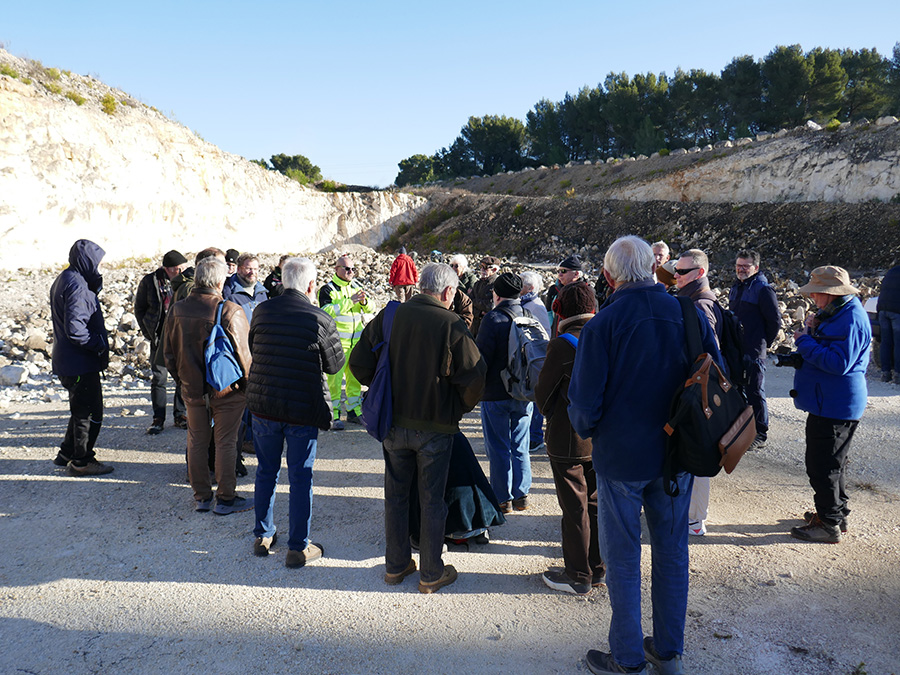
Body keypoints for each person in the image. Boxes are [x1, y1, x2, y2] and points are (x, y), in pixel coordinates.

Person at [568, 236, 721, 675]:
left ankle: (628, 656)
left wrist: (589, 431)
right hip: (677, 455)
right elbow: (716, 372)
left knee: (623, 557)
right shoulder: (688, 312)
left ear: (610, 275)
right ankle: (669, 653)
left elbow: (583, 406)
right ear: (655, 270)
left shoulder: (604, 324)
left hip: (621, 458)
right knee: (672, 552)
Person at [350, 263, 486, 594]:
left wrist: (382, 389)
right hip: (436, 427)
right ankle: (430, 572)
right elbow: (475, 377)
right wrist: (457, 408)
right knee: (432, 499)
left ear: (419, 286)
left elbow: (358, 363)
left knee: (395, 495)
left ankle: (395, 566)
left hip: (394, 424)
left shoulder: (390, 315)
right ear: (448, 292)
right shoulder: (451, 322)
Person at [247, 257, 345, 567]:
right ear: (311, 286)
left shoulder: (261, 311)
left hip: (264, 405)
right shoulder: (319, 318)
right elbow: (335, 364)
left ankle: (263, 534)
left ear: (282, 281)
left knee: (266, 470)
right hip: (302, 408)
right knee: (301, 476)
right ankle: (297, 546)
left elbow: (253, 347)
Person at [165, 257, 254, 516]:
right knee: (226, 441)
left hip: (192, 389)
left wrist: (183, 381)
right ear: (218, 281)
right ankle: (226, 498)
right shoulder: (230, 310)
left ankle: (202, 497)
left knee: (196, 440)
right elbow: (245, 358)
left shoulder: (177, 309)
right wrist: (248, 389)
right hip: (226, 390)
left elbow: (169, 353)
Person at [788, 266, 870, 544]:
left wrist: (805, 342)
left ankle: (829, 523)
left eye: (815, 293)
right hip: (830, 401)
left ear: (828, 293)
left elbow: (839, 363)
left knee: (823, 466)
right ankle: (835, 514)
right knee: (833, 463)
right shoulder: (839, 312)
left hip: (835, 403)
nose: (812, 297)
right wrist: (813, 329)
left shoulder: (851, 319)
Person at [534, 282, 604, 596]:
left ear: (561, 310)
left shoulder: (563, 344)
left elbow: (543, 396)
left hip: (568, 439)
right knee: (596, 503)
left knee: (573, 508)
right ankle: (598, 567)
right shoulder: (606, 335)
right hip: (600, 436)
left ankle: (578, 574)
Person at [50, 239, 114, 476]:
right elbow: (76, 330)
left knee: (79, 408)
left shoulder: (65, 278)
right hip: (79, 362)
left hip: (68, 360)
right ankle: (82, 460)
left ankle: (67, 452)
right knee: (90, 412)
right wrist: (98, 345)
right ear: (87, 261)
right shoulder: (77, 285)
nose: (98, 268)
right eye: (96, 263)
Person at [476, 272, 534, 513]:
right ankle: (522, 495)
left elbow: (481, 359)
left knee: (498, 446)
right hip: (523, 392)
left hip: (496, 393)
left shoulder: (492, 319)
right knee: (520, 444)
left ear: (496, 294)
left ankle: (503, 498)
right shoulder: (528, 315)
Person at [674, 249, 720, 538]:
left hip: (700, 394)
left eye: (681, 272)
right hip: (698, 393)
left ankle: (694, 518)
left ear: (699, 273)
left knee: (698, 456)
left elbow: (709, 356)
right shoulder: (695, 301)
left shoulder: (700, 306)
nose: (675, 276)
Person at [729, 249, 782, 450]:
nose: (741, 269)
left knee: (755, 391)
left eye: (746, 266)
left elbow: (774, 322)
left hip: (754, 350)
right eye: (738, 265)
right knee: (738, 389)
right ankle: (742, 430)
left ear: (756, 267)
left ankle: (760, 432)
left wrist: (762, 344)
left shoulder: (763, 290)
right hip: (736, 349)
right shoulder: (736, 287)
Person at [134, 250, 189, 434]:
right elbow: (139, 308)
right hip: (159, 336)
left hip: (179, 337)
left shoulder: (185, 282)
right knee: (159, 378)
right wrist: (148, 331)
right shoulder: (150, 282)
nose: (180, 271)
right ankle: (158, 418)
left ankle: (180, 415)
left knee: (182, 376)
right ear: (167, 268)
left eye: (182, 267)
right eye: (176, 268)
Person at [319, 254, 375, 429]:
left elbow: (371, 308)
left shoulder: (357, 286)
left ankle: (353, 412)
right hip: (336, 343)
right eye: (347, 269)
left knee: (355, 379)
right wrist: (349, 302)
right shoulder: (328, 289)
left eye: (353, 269)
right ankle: (333, 415)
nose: (351, 272)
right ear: (337, 269)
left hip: (356, 342)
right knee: (334, 381)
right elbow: (326, 311)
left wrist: (365, 303)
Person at [520, 271, 551, 453]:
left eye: (522, 284)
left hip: (536, 358)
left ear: (530, 288)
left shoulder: (536, 306)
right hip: (528, 357)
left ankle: (536, 437)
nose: (519, 286)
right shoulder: (526, 303)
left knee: (535, 397)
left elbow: (543, 333)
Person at [546, 255, 591, 337]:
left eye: (563, 271)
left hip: (576, 339)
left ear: (576, 274)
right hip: (556, 336)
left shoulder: (587, 292)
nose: (559, 275)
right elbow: (549, 312)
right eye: (558, 271)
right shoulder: (554, 289)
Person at [224, 253, 268, 321]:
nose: (252, 272)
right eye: (248, 269)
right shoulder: (229, 292)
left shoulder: (262, 292)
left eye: (255, 269)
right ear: (239, 269)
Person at [876, 263, 900, 383]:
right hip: (897, 312)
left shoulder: (891, 271)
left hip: (883, 310)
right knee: (898, 343)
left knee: (885, 342)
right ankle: (898, 375)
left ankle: (885, 373)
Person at [470, 255, 501, 335]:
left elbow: (491, 306)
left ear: (494, 270)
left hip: (489, 328)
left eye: (485, 267)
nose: (482, 270)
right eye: (481, 266)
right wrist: (480, 312)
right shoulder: (477, 284)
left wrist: (475, 303)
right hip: (475, 327)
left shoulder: (497, 285)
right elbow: (469, 303)